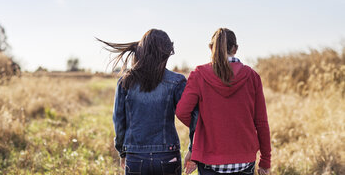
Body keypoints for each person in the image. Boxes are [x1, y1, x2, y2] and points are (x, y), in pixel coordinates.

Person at [176, 28, 271, 175]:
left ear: (210, 47)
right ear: (235, 49)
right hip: (244, 161)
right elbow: (261, 122)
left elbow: (182, 112)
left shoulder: (199, 75)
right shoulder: (252, 76)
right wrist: (265, 161)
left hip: (209, 160)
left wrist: (204, 127)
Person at [97, 29, 188, 175]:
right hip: (168, 155)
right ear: (165, 53)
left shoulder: (125, 81)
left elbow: (119, 122)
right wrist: (193, 149)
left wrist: (122, 151)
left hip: (135, 156)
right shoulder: (177, 81)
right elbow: (191, 115)